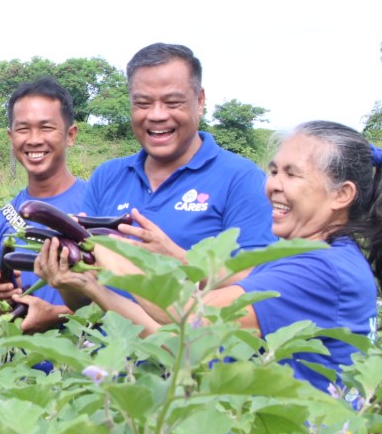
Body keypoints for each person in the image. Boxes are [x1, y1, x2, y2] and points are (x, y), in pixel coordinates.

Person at [34, 121, 382, 393]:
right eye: (274, 171)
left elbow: (187, 320)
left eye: (292, 174)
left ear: (342, 195)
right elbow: (173, 344)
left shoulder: (320, 269)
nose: (273, 185)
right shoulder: (305, 256)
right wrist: (92, 287)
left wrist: (109, 250)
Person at [81, 43, 275, 260]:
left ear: (199, 101)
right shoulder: (106, 176)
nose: (157, 115)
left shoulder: (242, 179)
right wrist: (66, 275)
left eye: (172, 102)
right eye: (143, 103)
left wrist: (177, 258)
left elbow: (260, 282)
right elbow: (79, 292)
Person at [0, 77, 86, 333]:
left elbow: (126, 301)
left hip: (83, 366)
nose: (34, 140)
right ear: (11, 137)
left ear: (70, 135)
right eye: (23, 129)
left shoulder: (98, 207)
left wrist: (57, 315)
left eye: (46, 128)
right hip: (13, 368)